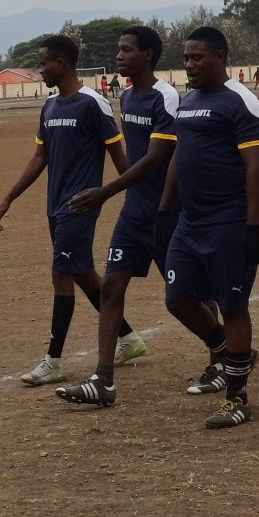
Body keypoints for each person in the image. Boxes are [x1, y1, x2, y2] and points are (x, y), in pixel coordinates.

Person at [53, 26, 187, 407]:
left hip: (165, 212)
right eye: (118, 50)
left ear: (148, 54)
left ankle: (222, 353)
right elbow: (135, 156)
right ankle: (104, 380)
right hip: (133, 213)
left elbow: (156, 157)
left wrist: (106, 190)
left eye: (126, 50)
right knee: (111, 288)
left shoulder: (166, 97)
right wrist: (123, 194)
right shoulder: (126, 96)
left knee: (187, 294)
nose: (118, 56)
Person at [0, 35, 125, 387]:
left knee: (61, 274)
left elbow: (119, 156)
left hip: (80, 205)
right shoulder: (49, 106)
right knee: (81, 273)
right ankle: (128, 338)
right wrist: (9, 198)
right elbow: (40, 157)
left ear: (61, 63)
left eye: (43, 64)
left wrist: (130, 194)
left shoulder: (93, 103)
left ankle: (53, 361)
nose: (40, 70)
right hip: (54, 205)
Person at [155, 27, 259, 430]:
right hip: (189, 222)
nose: (189, 64)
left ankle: (236, 398)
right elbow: (178, 156)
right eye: (186, 58)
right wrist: (164, 211)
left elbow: (257, 165)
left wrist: (252, 228)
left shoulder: (242, 101)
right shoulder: (187, 102)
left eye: (197, 57)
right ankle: (229, 349)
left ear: (220, 56)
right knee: (177, 299)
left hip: (228, 223)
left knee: (233, 306)